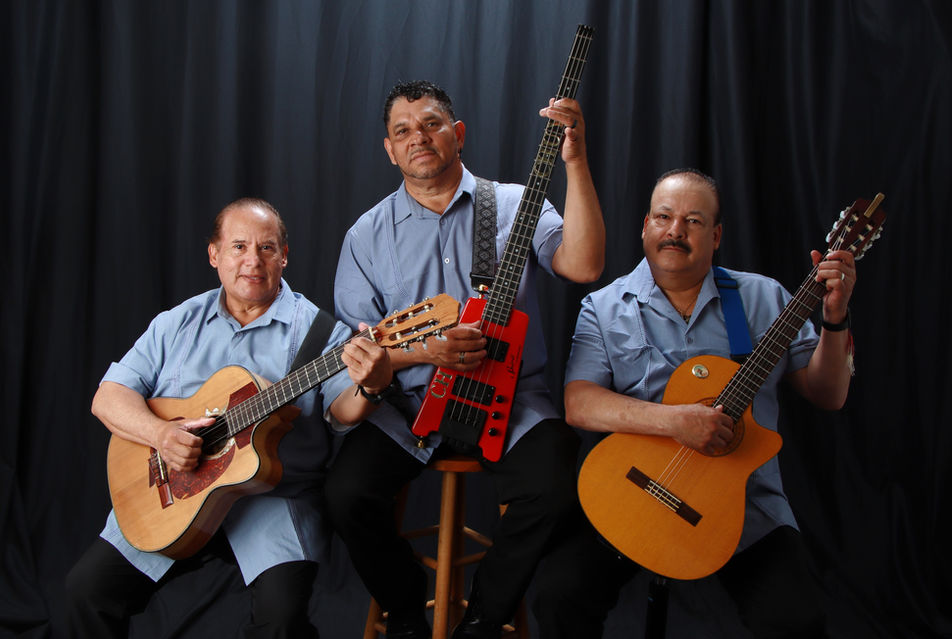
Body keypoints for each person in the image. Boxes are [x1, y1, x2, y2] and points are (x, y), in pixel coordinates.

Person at [325, 80, 606, 639]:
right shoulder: (366, 235)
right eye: (403, 131)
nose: (418, 139)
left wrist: (574, 162)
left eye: (431, 124)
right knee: (345, 493)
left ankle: (482, 618)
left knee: (555, 485)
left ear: (457, 133)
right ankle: (406, 609)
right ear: (389, 149)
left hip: (512, 400)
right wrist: (421, 352)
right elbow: (357, 350)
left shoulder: (514, 205)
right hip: (407, 408)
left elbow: (585, 264)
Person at [532, 168, 856, 638]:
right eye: (664, 217)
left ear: (717, 234)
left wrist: (835, 318)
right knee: (559, 597)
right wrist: (675, 422)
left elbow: (829, 394)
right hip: (631, 491)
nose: (675, 231)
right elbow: (580, 404)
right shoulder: (603, 307)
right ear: (645, 225)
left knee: (796, 621)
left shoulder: (764, 297)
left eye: (693, 221)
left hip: (744, 508)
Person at [66, 198, 394, 638]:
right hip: (171, 494)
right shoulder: (177, 323)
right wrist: (161, 434)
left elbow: (343, 412)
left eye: (267, 247)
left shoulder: (321, 334)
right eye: (239, 246)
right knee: (85, 592)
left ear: (284, 255)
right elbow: (108, 397)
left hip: (272, 499)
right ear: (215, 255)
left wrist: (372, 383)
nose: (252, 261)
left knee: (281, 619)